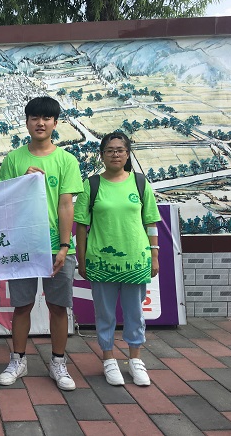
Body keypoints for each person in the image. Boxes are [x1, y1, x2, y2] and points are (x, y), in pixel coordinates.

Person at [0, 96, 83, 390]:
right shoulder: (14, 159)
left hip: (55, 246)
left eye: (46, 118)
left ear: (55, 123)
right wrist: (22, 181)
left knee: (58, 307)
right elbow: (4, 202)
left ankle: (58, 362)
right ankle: (18, 359)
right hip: (22, 244)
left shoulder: (66, 160)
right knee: (22, 306)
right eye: (35, 117)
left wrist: (64, 246)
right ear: (27, 122)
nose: (40, 123)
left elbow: (66, 205)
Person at [74, 131, 160, 387]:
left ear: (127, 154)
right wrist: (81, 259)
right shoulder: (92, 185)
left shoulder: (140, 183)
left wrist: (154, 255)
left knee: (135, 313)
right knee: (105, 314)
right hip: (101, 261)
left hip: (135, 260)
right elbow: (81, 227)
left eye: (120, 150)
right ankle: (108, 358)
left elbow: (151, 222)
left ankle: (135, 360)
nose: (115, 154)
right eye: (109, 150)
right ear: (101, 155)